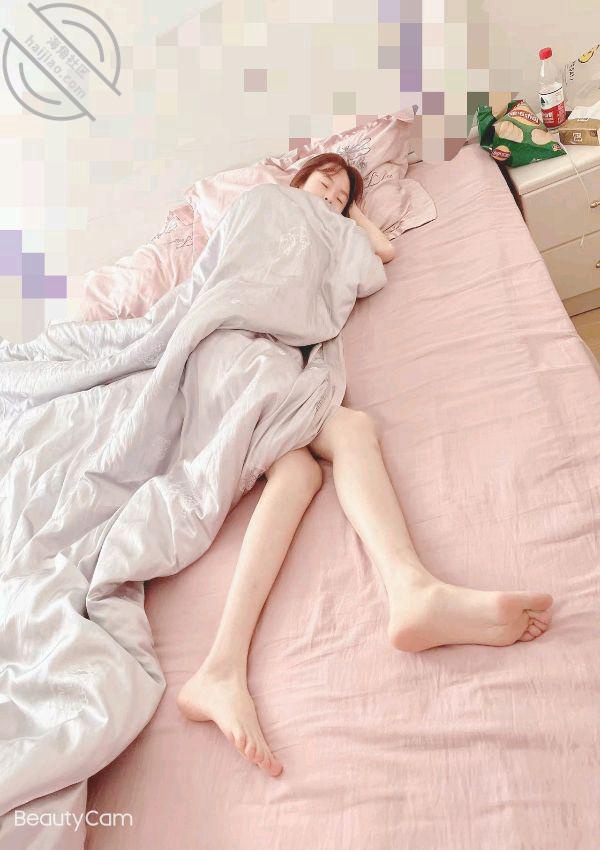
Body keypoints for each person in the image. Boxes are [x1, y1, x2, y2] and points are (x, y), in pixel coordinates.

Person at [176, 153, 554, 778]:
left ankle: (399, 597)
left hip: (279, 356)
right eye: (323, 180)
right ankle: (231, 663)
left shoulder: (338, 228)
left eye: (342, 193)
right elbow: (235, 271)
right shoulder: (266, 202)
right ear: (298, 179)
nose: (330, 194)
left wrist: (350, 212)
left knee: (317, 459)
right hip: (237, 344)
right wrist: (319, 210)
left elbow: (382, 256)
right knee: (327, 446)